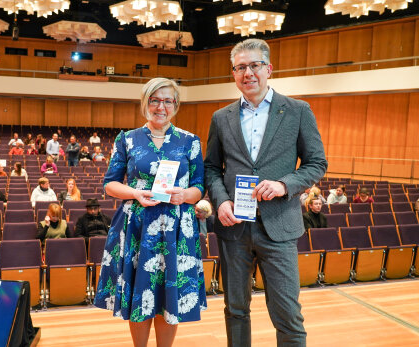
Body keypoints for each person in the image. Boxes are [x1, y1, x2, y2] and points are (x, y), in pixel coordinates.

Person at [204, 38, 327, 346]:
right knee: (235, 309)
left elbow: (316, 164)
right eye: (241, 67)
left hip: (279, 227)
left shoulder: (298, 110)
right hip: (234, 228)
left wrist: (284, 185)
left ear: (269, 69)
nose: (249, 73)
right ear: (234, 73)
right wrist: (220, 202)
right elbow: (210, 168)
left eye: (255, 65)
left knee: (287, 313)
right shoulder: (221, 117)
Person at [94, 77, 206, 347]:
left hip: (177, 226)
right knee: (140, 289)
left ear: (176, 105)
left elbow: (199, 187)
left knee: (169, 293)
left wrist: (184, 195)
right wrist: (134, 193)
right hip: (137, 226)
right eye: (155, 100)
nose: (161, 107)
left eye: (168, 101)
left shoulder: (190, 141)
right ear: (145, 103)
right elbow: (110, 184)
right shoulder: (127, 139)